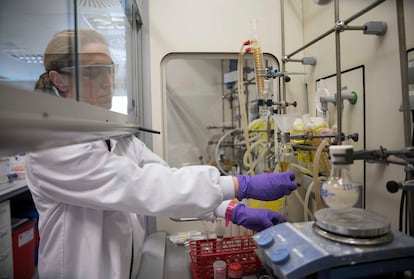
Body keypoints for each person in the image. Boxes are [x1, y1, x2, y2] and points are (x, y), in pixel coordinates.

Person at [28, 29, 298, 279]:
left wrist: (230, 209)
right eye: (93, 72)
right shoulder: (51, 144)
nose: (108, 82)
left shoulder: (110, 132)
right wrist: (241, 185)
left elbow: (165, 179)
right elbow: (141, 187)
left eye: (109, 70)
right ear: (59, 80)